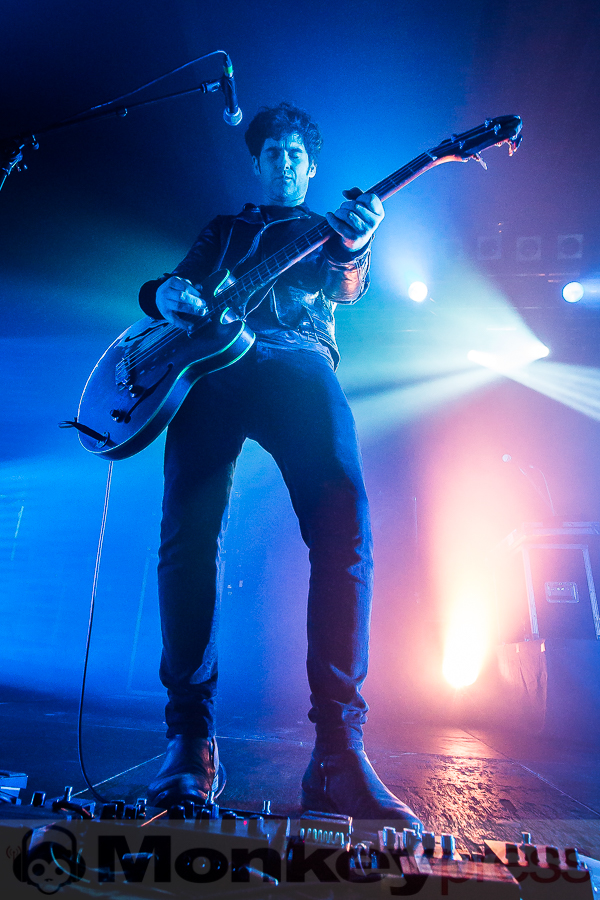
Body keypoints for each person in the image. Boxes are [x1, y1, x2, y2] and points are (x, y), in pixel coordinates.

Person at [139, 102, 422, 828]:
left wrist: (355, 251)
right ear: (258, 161)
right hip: (210, 370)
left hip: (299, 363)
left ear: (313, 167)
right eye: (273, 151)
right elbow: (177, 286)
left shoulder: (325, 228)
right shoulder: (226, 230)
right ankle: (189, 739)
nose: (285, 161)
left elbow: (345, 289)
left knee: (344, 526)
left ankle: (337, 751)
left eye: (297, 153)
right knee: (186, 534)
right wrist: (162, 291)